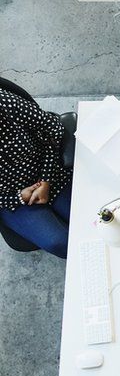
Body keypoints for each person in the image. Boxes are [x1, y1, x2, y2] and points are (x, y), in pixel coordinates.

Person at [0, 85, 72, 258]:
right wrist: (18, 197)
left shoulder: (5, 103)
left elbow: (53, 126)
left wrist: (46, 179)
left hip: (48, 171)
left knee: (95, 220)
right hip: (11, 199)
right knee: (59, 242)